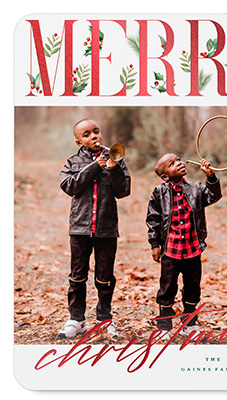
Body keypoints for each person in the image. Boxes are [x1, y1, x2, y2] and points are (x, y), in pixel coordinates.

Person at [59, 119, 131, 339]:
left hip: (106, 229)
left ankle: (104, 319)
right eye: (87, 134)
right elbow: (69, 186)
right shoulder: (73, 162)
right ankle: (77, 319)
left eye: (96, 132)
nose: (94, 137)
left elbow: (124, 191)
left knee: (105, 277)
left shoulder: (115, 159)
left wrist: (113, 169)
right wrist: (94, 166)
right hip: (80, 229)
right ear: (78, 140)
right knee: (77, 276)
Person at [146, 153, 222, 341]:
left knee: (192, 287)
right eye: (172, 164)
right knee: (167, 289)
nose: (179, 163)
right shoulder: (159, 192)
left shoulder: (196, 188)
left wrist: (211, 177)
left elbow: (213, 196)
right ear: (165, 176)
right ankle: (163, 327)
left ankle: (189, 324)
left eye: (178, 160)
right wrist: (155, 244)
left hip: (192, 248)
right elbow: (153, 219)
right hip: (170, 250)